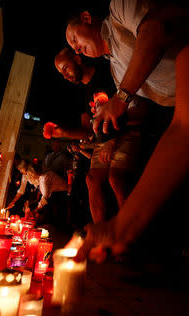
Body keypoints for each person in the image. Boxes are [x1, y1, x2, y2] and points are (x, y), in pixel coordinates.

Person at [65, 0, 189, 313]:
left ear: (87, 18)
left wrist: (122, 96)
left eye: (73, 39)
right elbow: (168, 118)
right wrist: (113, 114)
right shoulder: (117, 70)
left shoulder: (121, 9)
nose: (75, 49)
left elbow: (156, 29)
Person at [51, 47, 145, 225]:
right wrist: (62, 132)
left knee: (115, 178)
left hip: (125, 131)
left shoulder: (107, 73)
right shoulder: (86, 91)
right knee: (91, 178)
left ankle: (127, 230)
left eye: (65, 69)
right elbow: (86, 129)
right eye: (61, 73)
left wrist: (112, 140)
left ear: (78, 60)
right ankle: (101, 234)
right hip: (106, 139)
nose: (65, 76)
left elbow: (128, 106)